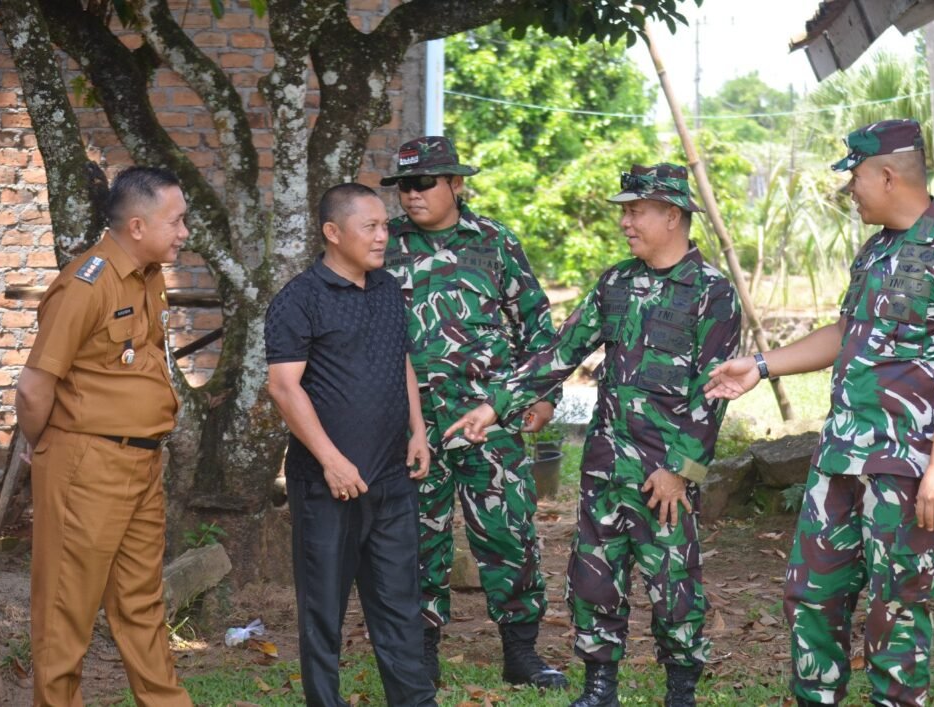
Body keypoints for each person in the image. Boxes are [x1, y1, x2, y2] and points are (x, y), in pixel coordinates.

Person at [704, 119, 934, 707]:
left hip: (904, 465)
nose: (850, 191)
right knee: (811, 594)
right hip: (839, 454)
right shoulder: (876, 250)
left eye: (855, 177)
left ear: (887, 175)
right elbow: (846, 332)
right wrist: (760, 366)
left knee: (898, 605)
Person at [447, 163, 742, 707]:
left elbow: (714, 397)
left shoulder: (712, 292)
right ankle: (598, 687)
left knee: (674, 589)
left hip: (666, 475)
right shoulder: (616, 282)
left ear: (672, 216)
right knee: (593, 581)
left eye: (636, 211)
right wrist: (495, 407)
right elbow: (560, 353)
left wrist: (682, 471)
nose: (626, 221)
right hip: (606, 464)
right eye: (624, 211)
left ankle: (681, 692)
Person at [379, 136, 567, 689]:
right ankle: (421, 653)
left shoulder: (495, 243)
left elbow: (536, 322)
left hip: (491, 420)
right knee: (416, 537)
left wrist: (544, 395)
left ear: (456, 185)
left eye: (422, 184)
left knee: (509, 532)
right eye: (402, 186)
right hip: (411, 423)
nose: (409, 196)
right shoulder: (383, 246)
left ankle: (521, 652)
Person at [15, 166, 192, 706]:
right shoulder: (85, 283)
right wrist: (47, 449)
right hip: (86, 463)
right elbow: (33, 386)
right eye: (177, 221)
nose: (185, 232)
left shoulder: (148, 275)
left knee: (142, 603)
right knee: (66, 608)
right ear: (137, 226)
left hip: (141, 463)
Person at [265, 183, 437, 707]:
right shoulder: (299, 300)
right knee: (323, 611)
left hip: (390, 477)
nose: (384, 235)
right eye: (371, 226)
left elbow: (400, 359)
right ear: (333, 233)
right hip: (327, 485)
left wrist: (419, 429)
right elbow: (283, 387)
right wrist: (332, 461)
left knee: (400, 605)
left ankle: (414, 701)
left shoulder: (387, 288)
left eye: (385, 225)